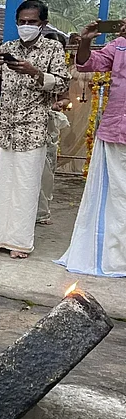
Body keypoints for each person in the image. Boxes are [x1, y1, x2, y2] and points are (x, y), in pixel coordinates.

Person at [0, 0, 70, 258]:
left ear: (43, 24)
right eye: (22, 22)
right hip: (3, 126)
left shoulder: (52, 48)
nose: (26, 26)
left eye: (32, 22)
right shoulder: (7, 47)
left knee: (24, 186)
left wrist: (35, 72)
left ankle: (19, 243)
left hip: (33, 127)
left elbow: (61, 85)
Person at [57, 19, 126, 277]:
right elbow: (87, 63)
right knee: (113, 198)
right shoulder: (119, 46)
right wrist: (85, 40)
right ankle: (111, 256)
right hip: (114, 131)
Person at [37, 31, 72, 225]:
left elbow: (66, 97)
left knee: (47, 169)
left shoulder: (61, 73)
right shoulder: (30, 67)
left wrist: (58, 105)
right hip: (28, 124)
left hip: (49, 125)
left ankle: (42, 212)